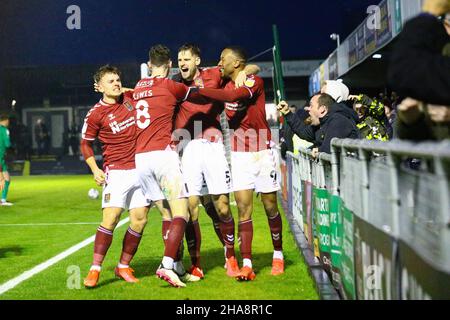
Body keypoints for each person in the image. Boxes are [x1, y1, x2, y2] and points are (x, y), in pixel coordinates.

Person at [197, 46, 285, 280]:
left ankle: (278, 255)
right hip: (239, 154)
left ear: (236, 63)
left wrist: (203, 91)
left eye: (223, 59)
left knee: (270, 206)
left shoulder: (252, 81)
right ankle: (247, 263)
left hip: (263, 151)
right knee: (244, 210)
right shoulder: (224, 81)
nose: (219, 62)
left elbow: (233, 97)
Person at [173, 43, 260, 278]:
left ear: (197, 61)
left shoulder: (214, 74)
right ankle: (196, 264)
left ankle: (230, 255)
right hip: (188, 148)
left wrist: (245, 71)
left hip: (213, 147)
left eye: (186, 59)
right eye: (179, 60)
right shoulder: (175, 84)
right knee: (191, 208)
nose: (182, 63)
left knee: (221, 206)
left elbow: (250, 66)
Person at [132, 44, 207, 288]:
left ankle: (176, 265)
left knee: (166, 213)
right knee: (181, 213)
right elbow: (197, 94)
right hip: (163, 157)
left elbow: (131, 93)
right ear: (170, 65)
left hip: (140, 160)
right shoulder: (172, 87)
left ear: (149, 64)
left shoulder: (138, 87)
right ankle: (166, 264)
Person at [80, 65, 151, 288]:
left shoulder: (129, 98)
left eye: (118, 80)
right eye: (111, 81)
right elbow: (86, 144)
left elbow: (139, 93)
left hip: (140, 168)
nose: (117, 83)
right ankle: (95, 269)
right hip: (116, 171)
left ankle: (123, 266)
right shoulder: (95, 114)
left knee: (140, 220)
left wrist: (124, 89)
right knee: (110, 220)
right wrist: (95, 169)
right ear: (99, 87)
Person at [277, 92, 360, 155]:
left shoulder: (338, 121)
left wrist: (320, 151)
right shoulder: (320, 123)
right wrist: (288, 113)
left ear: (322, 109)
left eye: (311, 106)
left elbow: (330, 148)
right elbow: (303, 132)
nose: (308, 109)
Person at [0, 113, 12, 205]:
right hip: (0, 157)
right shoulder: (4, 130)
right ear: (5, 121)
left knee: (6, 178)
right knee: (3, 180)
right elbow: (8, 144)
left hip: (1, 158)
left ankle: (3, 200)